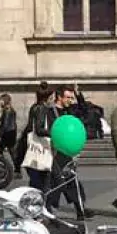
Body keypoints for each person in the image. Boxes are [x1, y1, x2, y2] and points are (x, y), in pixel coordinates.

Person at [49, 85, 87, 219]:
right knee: (57, 182)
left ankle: (80, 210)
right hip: (55, 152)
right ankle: (50, 208)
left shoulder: (70, 111)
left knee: (72, 181)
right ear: (59, 97)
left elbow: (84, 110)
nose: (70, 100)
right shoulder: (50, 112)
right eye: (68, 97)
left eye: (72, 98)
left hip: (68, 151)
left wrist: (78, 94)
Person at [20, 86, 55, 191]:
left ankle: (34, 198)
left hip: (31, 146)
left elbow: (30, 127)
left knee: (35, 182)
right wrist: (52, 133)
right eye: (52, 98)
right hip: (40, 149)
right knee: (43, 183)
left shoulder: (34, 107)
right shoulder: (42, 109)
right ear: (46, 98)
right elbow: (39, 130)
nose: (53, 100)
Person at [0, 94, 17, 169]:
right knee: (11, 151)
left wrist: (0, 134)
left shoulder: (7, 110)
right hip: (11, 132)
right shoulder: (10, 109)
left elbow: (5, 124)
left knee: (1, 149)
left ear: (4, 101)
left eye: (1, 100)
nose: (0, 102)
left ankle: (2, 165)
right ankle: (16, 167)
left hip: (7, 133)